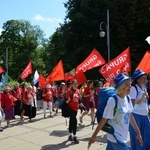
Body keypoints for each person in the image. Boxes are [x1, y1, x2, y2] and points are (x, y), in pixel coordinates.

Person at [88, 73, 143, 150]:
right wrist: (93, 137)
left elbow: (130, 116)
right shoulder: (113, 101)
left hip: (122, 137)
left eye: (130, 84)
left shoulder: (127, 99)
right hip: (115, 138)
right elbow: (104, 120)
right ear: (121, 86)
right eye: (127, 84)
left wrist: (138, 132)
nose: (130, 86)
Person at [129, 69, 150, 150]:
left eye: (146, 78)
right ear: (137, 79)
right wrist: (142, 99)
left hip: (145, 115)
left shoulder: (144, 88)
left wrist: (145, 98)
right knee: (138, 138)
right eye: (143, 78)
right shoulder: (134, 89)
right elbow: (132, 107)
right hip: (136, 116)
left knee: (147, 137)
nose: (145, 80)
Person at [66, 79, 84, 144]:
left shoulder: (78, 91)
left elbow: (79, 101)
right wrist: (68, 100)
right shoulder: (69, 91)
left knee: (71, 121)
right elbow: (66, 101)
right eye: (74, 84)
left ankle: (70, 135)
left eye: (76, 84)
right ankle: (74, 136)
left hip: (76, 109)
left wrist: (83, 106)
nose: (75, 85)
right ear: (71, 85)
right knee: (75, 121)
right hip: (70, 109)